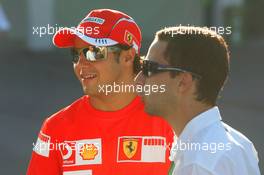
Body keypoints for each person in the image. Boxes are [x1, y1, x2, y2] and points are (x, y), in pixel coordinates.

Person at [27, 9, 174, 175]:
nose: (80, 64)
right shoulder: (55, 128)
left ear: (127, 57)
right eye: (75, 55)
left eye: (93, 52)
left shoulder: (170, 121)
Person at [135, 26, 261, 175]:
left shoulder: (197, 164)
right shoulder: (239, 143)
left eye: (149, 68)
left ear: (183, 82)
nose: (138, 80)